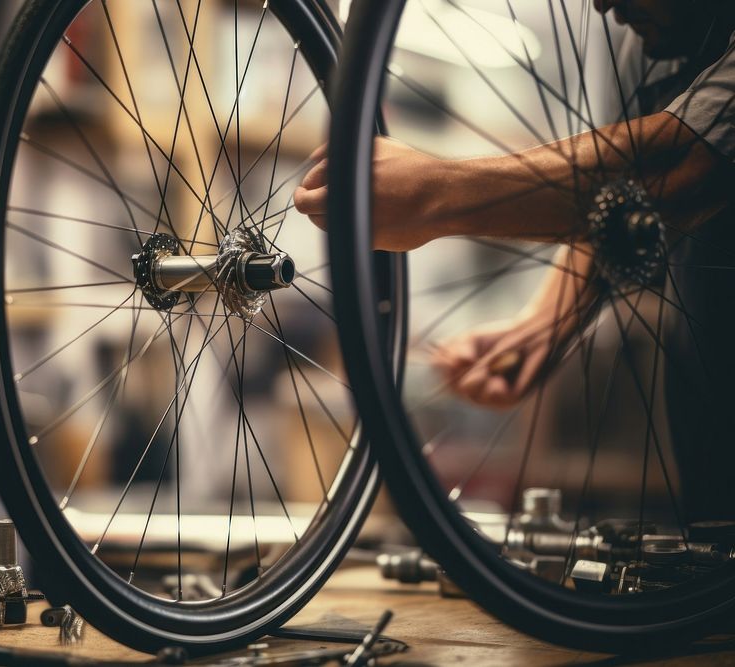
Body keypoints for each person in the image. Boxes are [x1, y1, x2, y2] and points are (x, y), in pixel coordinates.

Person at [294, 0, 735, 520]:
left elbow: (688, 164)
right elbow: (620, 193)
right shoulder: (641, 35)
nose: (601, 4)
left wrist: (439, 193)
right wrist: (544, 323)